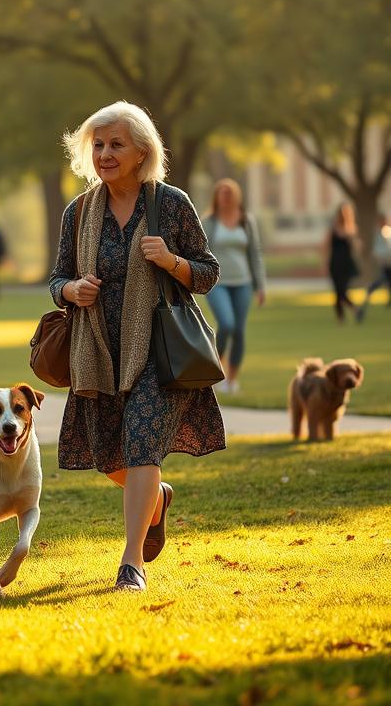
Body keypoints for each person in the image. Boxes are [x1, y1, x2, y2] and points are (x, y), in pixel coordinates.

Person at [49, 101, 225, 593]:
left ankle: (131, 564)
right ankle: (157, 499)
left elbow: (208, 273)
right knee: (110, 456)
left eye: (115, 145)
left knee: (143, 445)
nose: (104, 154)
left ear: (142, 151)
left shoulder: (170, 204)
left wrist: (170, 260)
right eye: (98, 145)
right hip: (98, 353)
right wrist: (70, 290)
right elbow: (56, 278)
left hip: (159, 351)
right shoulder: (79, 210)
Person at [202, 179, 266, 395]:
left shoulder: (246, 220)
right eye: (221, 192)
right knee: (226, 324)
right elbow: (201, 252)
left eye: (229, 192)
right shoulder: (209, 222)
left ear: (237, 195)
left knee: (239, 331)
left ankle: (232, 380)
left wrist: (261, 286)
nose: (225, 196)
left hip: (243, 283)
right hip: (217, 282)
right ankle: (216, 371)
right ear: (216, 197)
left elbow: (254, 254)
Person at [326, 203, 359, 323]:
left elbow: (356, 247)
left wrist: (351, 238)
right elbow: (326, 246)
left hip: (346, 263)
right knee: (337, 290)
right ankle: (344, 315)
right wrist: (324, 263)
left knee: (342, 290)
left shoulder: (352, 229)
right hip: (335, 263)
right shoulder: (333, 229)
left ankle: (351, 311)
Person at [356, 212, 391, 322]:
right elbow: (377, 251)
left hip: (388, 266)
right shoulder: (379, 234)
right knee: (375, 286)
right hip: (384, 267)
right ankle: (362, 310)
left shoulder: (387, 233)